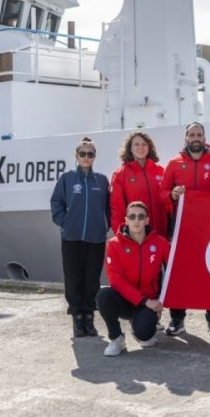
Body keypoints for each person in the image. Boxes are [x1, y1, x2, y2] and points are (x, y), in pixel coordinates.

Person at [159, 121, 210, 337]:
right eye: (191, 135)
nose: (195, 138)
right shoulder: (174, 163)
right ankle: (177, 319)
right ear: (186, 138)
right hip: (181, 228)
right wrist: (173, 195)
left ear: (204, 138)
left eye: (199, 134)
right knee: (180, 273)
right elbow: (163, 192)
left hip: (209, 229)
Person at [50, 137, 110, 338]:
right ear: (76, 156)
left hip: (96, 238)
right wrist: (64, 222)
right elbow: (56, 202)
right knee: (73, 277)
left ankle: (89, 318)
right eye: (82, 154)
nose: (86, 157)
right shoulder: (67, 179)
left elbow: (109, 208)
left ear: (94, 157)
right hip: (71, 237)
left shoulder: (101, 181)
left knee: (92, 279)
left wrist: (105, 226)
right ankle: (77, 317)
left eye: (90, 154)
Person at [96, 201, 170, 357]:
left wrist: (162, 300)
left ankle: (139, 327)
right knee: (103, 295)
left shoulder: (160, 243)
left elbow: (174, 271)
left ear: (147, 220)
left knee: (145, 335)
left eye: (141, 216)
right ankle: (117, 338)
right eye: (132, 216)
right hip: (127, 301)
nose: (137, 220)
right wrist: (143, 300)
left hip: (148, 303)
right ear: (126, 220)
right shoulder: (114, 245)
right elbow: (115, 280)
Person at [110, 130, 167, 238]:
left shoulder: (160, 171)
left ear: (149, 147)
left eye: (144, 144)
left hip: (160, 233)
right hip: (136, 236)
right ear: (130, 148)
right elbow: (117, 208)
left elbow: (168, 203)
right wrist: (120, 234)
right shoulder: (120, 174)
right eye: (136, 144)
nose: (140, 147)